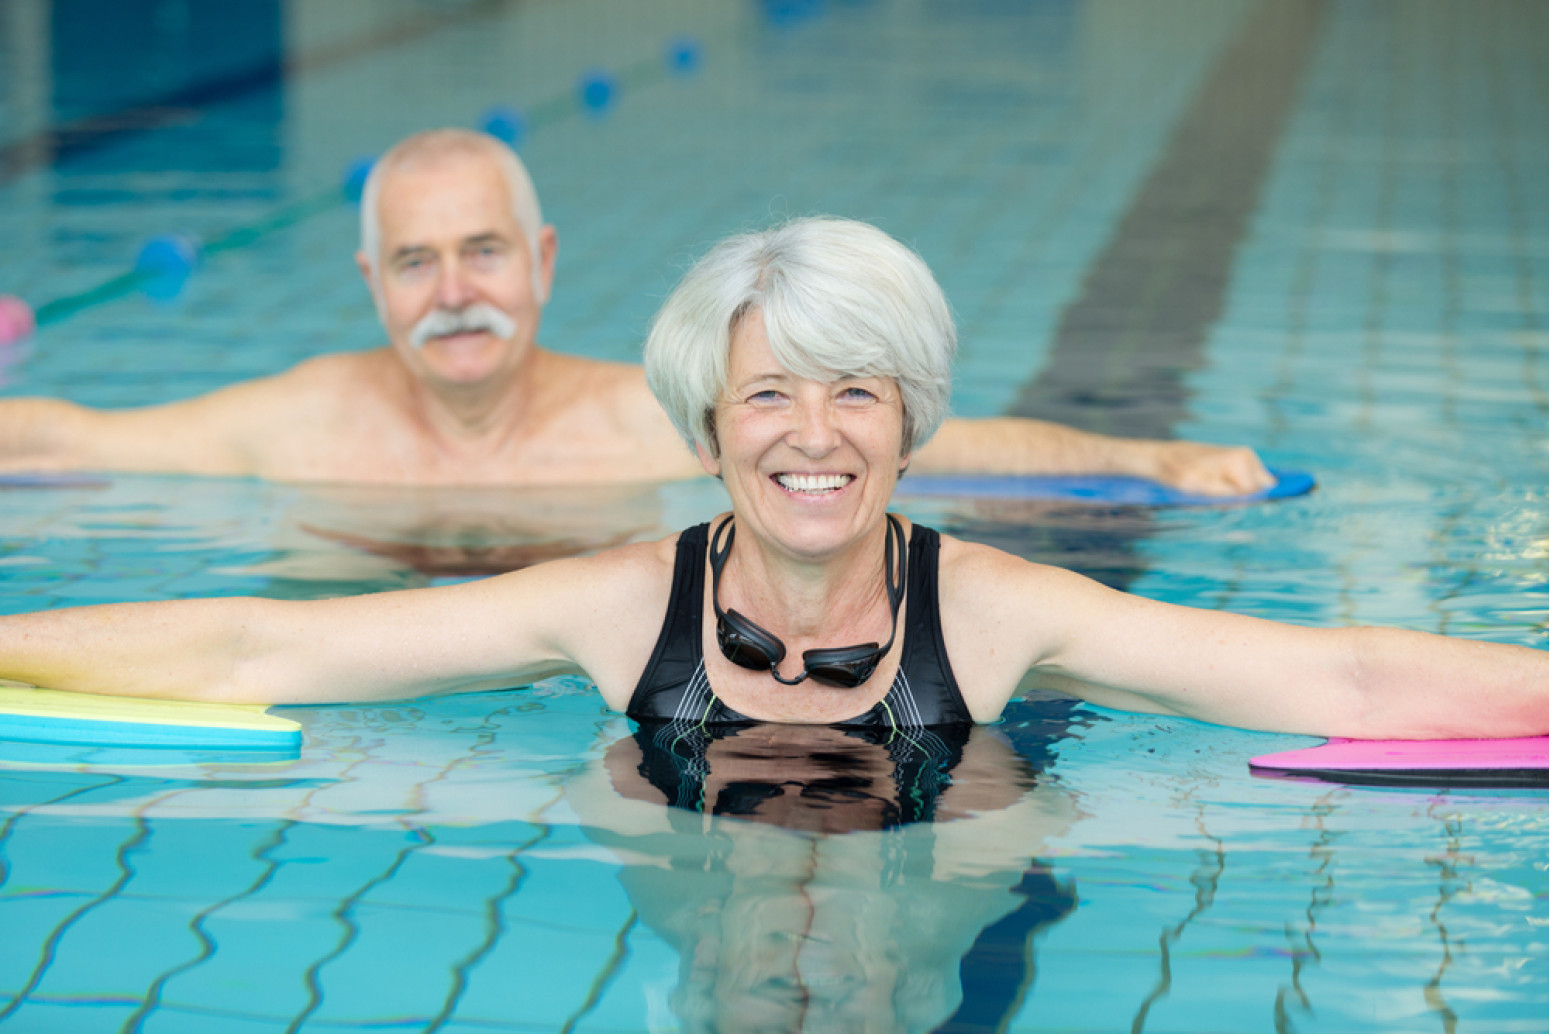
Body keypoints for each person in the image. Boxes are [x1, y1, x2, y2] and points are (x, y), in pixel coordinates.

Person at [1, 217, 1543, 743]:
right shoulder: (615, 604)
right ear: (709, 425)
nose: (813, 433)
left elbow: (1334, 663)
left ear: (908, 417)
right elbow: (258, 644)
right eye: (770, 394)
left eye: (855, 390)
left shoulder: (996, 612)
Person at [0, 128, 1272, 495]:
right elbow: (64, 439)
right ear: (371, 283)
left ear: (544, 260)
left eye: (484, 251)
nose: (453, 294)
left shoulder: (639, 420)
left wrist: (1141, 455)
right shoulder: (296, 419)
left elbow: (955, 446)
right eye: (416, 261)